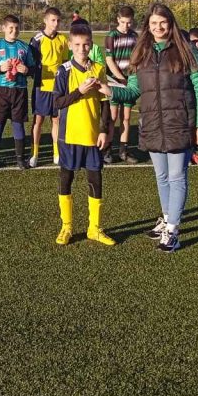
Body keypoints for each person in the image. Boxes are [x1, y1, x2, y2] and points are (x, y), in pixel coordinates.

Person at [110, 4, 198, 253]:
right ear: (147, 25)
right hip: (153, 123)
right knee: (162, 176)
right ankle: (166, 219)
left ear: (171, 23)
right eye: (153, 23)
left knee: (177, 177)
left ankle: (173, 231)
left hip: (179, 123)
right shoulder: (141, 51)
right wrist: (109, 91)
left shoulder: (186, 50)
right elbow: (134, 90)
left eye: (162, 22)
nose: (158, 27)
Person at [53, 23, 115, 246]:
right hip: (69, 135)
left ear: (91, 45)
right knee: (66, 178)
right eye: (77, 44)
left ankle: (94, 228)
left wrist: (104, 130)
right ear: (70, 45)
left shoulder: (98, 69)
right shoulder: (63, 71)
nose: (82, 49)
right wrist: (79, 91)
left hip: (92, 135)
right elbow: (58, 102)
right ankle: (67, 226)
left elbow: (105, 102)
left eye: (86, 44)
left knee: (95, 179)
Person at [0, 14, 35, 170]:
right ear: (4, 28)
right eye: (11, 28)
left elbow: (33, 69)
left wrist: (26, 70)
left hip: (19, 91)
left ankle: (20, 159)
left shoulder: (25, 47)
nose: (14, 31)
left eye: (17, 28)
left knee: (18, 124)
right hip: (0, 91)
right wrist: (0, 68)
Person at [29, 7, 67, 167]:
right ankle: (35, 153)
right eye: (53, 20)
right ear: (45, 21)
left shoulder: (63, 39)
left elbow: (65, 63)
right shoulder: (36, 39)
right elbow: (31, 62)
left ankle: (56, 153)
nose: (56, 23)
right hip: (42, 86)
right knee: (38, 119)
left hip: (57, 88)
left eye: (58, 20)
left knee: (56, 120)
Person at [103, 5, 139, 164]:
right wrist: (120, 78)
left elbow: (137, 58)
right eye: (123, 22)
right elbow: (109, 60)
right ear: (118, 20)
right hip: (114, 80)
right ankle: (107, 150)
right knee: (112, 116)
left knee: (126, 117)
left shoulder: (135, 36)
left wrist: (131, 77)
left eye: (129, 22)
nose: (126, 25)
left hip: (130, 80)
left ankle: (124, 151)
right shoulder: (111, 36)